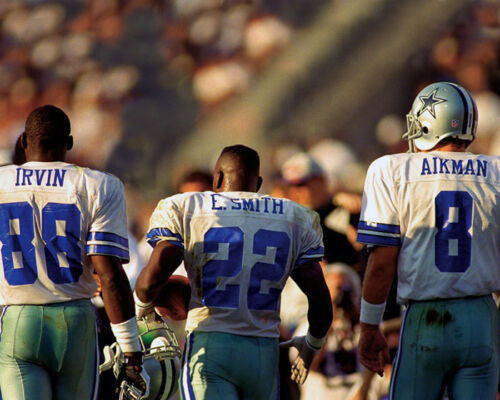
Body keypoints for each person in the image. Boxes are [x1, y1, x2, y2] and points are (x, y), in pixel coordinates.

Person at [134, 144, 333, 399]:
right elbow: (320, 298)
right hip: (264, 353)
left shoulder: (188, 207)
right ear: (258, 182)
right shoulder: (293, 216)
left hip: (211, 344)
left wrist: (142, 310)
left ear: (217, 177)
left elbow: (151, 281)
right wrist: (312, 344)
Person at [357, 82, 500, 399]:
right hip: (482, 317)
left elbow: (381, 262)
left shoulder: (391, 169)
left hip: (427, 317)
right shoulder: (496, 173)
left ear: (425, 121)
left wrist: (369, 326)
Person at [0, 105, 149, 400]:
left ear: (23, 141)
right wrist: (131, 347)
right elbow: (108, 276)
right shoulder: (99, 185)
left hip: (17, 320)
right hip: (76, 322)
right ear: (68, 143)